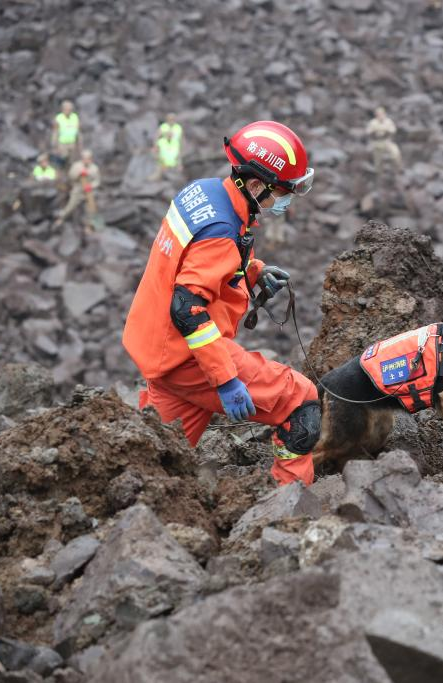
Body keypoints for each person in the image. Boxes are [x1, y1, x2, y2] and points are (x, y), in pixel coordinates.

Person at [122, 121, 320, 487]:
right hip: (187, 359)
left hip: (159, 354)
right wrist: (226, 380)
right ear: (257, 186)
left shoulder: (205, 192)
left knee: (154, 462)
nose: (284, 200)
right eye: (281, 192)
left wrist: (252, 270)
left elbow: (193, 259)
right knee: (300, 400)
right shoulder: (222, 232)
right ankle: (293, 507)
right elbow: (187, 308)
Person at [54, 149, 100, 230]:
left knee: (90, 208)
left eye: (88, 158)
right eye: (84, 158)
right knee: (71, 205)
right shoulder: (76, 166)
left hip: (88, 190)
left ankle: (89, 226)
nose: (86, 160)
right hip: (78, 188)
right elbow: (71, 177)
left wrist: (91, 186)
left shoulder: (94, 168)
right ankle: (61, 218)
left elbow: (97, 181)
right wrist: (79, 174)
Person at [365, 107, 402, 174]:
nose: (380, 115)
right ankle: (378, 172)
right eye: (378, 114)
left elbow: (393, 130)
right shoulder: (373, 122)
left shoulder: (388, 121)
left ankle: (398, 168)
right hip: (376, 142)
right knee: (377, 158)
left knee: (395, 152)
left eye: (381, 114)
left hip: (387, 142)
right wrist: (375, 134)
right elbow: (368, 132)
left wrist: (386, 133)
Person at [51, 100, 81, 175]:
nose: (68, 111)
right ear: (63, 109)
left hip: (72, 142)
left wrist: (79, 143)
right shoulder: (59, 118)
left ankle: (70, 174)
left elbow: (78, 131)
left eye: (70, 109)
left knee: (72, 160)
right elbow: (55, 132)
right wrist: (54, 144)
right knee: (62, 158)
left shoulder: (74, 117)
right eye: (67, 109)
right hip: (62, 143)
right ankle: (62, 173)